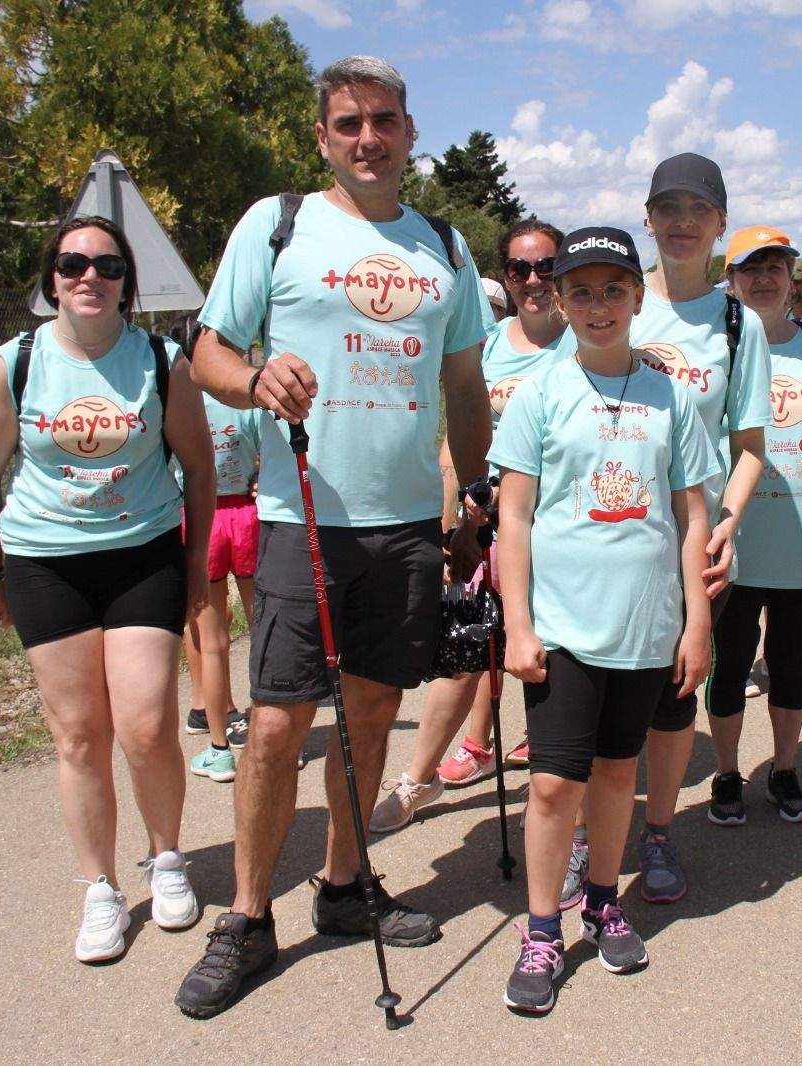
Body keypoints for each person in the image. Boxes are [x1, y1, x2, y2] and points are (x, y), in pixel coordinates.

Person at [174, 55, 492, 1018]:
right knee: (276, 726)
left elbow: (466, 385)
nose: (368, 137)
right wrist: (254, 379)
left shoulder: (445, 246)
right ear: (324, 137)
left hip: (403, 526)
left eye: (385, 121)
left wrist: (470, 494)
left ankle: (348, 886)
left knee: (367, 713)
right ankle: (248, 918)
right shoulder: (276, 227)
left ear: (408, 133)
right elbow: (207, 350)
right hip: (294, 514)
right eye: (349, 122)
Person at [0, 214, 214, 962]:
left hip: (143, 555)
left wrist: (196, 566)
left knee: (144, 727)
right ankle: (99, 887)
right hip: (46, 561)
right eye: (73, 264)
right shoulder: (14, 363)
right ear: (51, 280)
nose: (89, 277)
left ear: (127, 284)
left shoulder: (162, 360)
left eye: (107, 267)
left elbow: (199, 469)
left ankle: (166, 858)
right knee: (78, 736)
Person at [492, 226, 712, 1013]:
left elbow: (692, 518)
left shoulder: (672, 396)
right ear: (560, 297)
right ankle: (543, 930)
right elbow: (511, 519)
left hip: (648, 628)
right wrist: (519, 624)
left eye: (612, 290)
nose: (596, 305)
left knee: (620, 773)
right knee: (554, 787)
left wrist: (696, 624)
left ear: (637, 299)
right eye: (579, 290)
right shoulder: (540, 393)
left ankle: (603, 900)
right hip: (563, 630)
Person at [576, 152, 767, 907]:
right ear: (648, 219)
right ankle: (590, 837)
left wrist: (725, 523)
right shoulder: (618, 297)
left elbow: (750, 448)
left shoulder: (735, 320)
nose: (683, 223)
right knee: (593, 697)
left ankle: (657, 832)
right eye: (669, 208)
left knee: (672, 695)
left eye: (700, 210)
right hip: (607, 536)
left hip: (693, 548)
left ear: (721, 224)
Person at [372, 218, 572, 832]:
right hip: (489, 529)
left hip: (566, 533)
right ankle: (417, 780)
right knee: (463, 656)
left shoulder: (590, 342)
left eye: (546, 267)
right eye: (520, 270)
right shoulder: (486, 349)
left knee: (559, 664)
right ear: (505, 277)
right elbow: (456, 445)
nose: (534, 281)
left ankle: (563, 803)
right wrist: (453, 518)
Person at [706, 225, 802, 825]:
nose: (763, 279)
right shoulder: (719, 347)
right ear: (731, 281)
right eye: (750, 269)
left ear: (794, 279)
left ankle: (784, 769)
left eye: (775, 268)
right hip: (731, 542)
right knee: (730, 664)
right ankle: (727, 773)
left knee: (790, 662)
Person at [183, 386, 264, 783]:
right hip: (248, 514)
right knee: (263, 630)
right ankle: (278, 741)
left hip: (200, 518)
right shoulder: (244, 401)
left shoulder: (180, 403)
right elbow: (274, 451)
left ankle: (219, 750)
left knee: (211, 644)